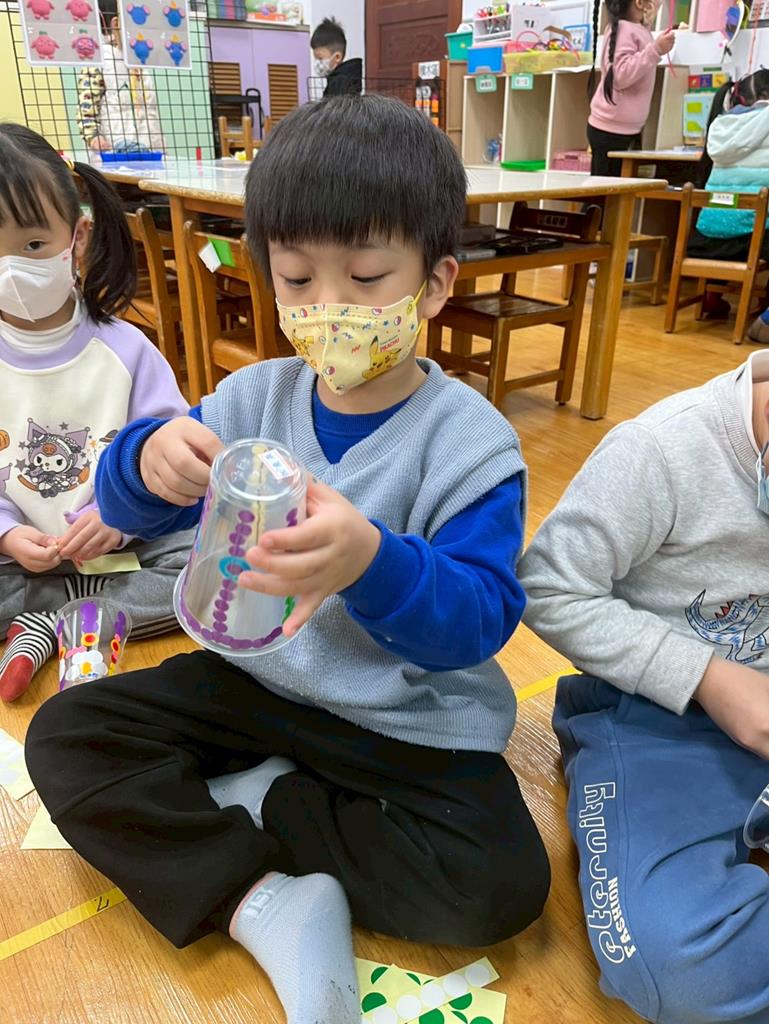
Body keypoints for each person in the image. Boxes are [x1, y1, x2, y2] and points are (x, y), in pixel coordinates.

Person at [25, 96, 550, 1024]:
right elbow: (128, 505)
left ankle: (266, 803)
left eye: (366, 277)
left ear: (434, 284)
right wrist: (143, 460)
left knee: (498, 887)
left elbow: (475, 623)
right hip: (253, 679)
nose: (327, 308)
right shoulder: (251, 399)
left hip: (401, 717)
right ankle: (261, 899)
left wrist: (372, 562)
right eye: (298, 278)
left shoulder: (470, 444)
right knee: (66, 735)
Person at [519, 352, 769, 1023]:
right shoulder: (661, 451)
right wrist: (707, 678)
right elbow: (547, 588)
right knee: (672, 961)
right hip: (655, 715)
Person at [0, 123, 191, 702]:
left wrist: (120, 513)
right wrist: (8, 535)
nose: (12, 269)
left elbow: (173, 462)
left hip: (125, 552)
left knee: (204, 564)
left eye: (34, 246)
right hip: (20, 564)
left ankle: (46, 621)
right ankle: (73, 615)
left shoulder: (127, 350)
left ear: (78, 238)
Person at [686, 71, 769, 332]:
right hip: (751, 240)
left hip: (706, 237)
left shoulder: (720, 125)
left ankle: (713, 294)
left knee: (735, 209)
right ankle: (766, 316)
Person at [587, 0, 675, 176]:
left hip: (624, 129)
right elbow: (619, 76)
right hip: (609, 131)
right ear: (639, 3)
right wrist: (656, 49)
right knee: (604, 190)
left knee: (614, 189)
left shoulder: (636, 28)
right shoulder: (624, 29)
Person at [76, 0, 164, 155]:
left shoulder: (140, 61)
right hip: (115, 150)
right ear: (116, 24)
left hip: (150, 148)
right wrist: (94, 138)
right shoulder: (101, 60)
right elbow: (86, 108)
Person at [310, 16, 362, 98]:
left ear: (337, 57)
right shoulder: (338, 78)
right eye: (315, 58)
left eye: (320, 58)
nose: (317, 62)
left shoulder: (341, 84)